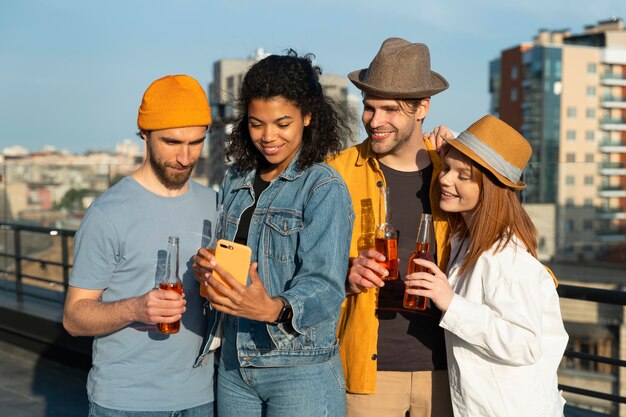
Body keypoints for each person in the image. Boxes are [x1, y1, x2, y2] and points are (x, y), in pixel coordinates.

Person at [192, 51, 354, 417]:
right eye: (256, 123)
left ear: (307, 116)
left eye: (282, 123)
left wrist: (273, 309)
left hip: (299, 369)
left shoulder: (322, 186)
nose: (268, 137)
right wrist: (209, 268)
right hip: (233, 363)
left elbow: (326, 285)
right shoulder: (235, 179)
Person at [63, 74, 218, 416]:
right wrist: (135, 309)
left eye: (196, 142)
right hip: (125, 403)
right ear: (145, 135)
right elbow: (74, 318)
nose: (185, 156)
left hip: (200, 398)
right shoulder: (108, 213)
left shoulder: (214, 205)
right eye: (172, 142)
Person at [405, 115, 568, 416]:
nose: (444, 178)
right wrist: (452, 142)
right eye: (447, 167)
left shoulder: (505, 255)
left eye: (461, 175)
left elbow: (525, 343)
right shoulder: (468, 239)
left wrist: (450, 303)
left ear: (489, 188)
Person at [327, 37, 454, 417]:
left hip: (446, 374)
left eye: (390, 110)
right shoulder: (335, 173)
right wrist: (345, 273)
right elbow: (300, 263)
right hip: (365, 377)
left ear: (422, 108)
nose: (375, 121)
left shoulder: (455, 174)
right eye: (369, 108)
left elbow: (502, 234)